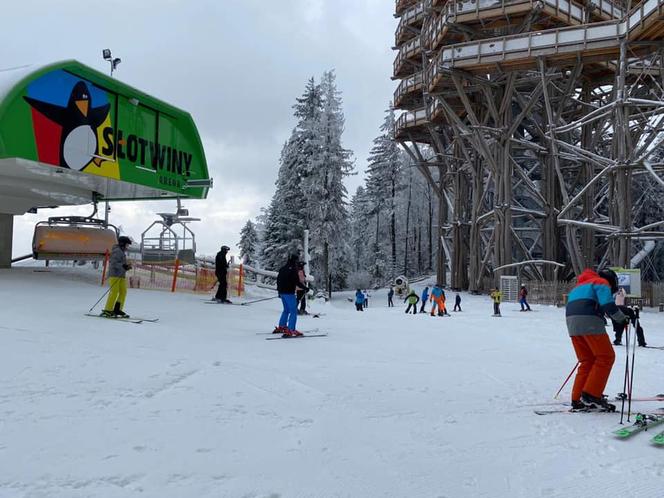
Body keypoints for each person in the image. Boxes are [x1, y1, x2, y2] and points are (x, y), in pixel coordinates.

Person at [566, 268, 628, 411]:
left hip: (572, 325)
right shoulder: (601, 282)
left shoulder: (578, 287)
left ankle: (578, 399)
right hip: (589, 322)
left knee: (587, 360)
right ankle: (591, 395)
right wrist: (622, 319)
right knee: (606, 357)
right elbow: (608, 305)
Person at [274, 254, 307, 337]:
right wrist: (305, 288)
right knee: (293, 311)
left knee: (286, 310)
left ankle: (282, 326)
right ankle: (291, 330)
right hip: (289, 293)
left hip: (282, 293)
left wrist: (279, 292)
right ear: (295, 261)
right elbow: (296, 282)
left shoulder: (283, 268)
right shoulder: (293, 270)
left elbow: (278, 280)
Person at [102, 236, 133, 317]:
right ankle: (107, 310)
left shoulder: (122, 252)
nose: (127, 247)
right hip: (114, 274)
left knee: (123, 291)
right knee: (114, 292)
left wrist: (126, 267)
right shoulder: (117, 251)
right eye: (127, 245)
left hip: (121, 275)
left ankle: (117, 309)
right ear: (122, 244)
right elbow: (113, 263)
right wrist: (123, 266)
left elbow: (121, 264)